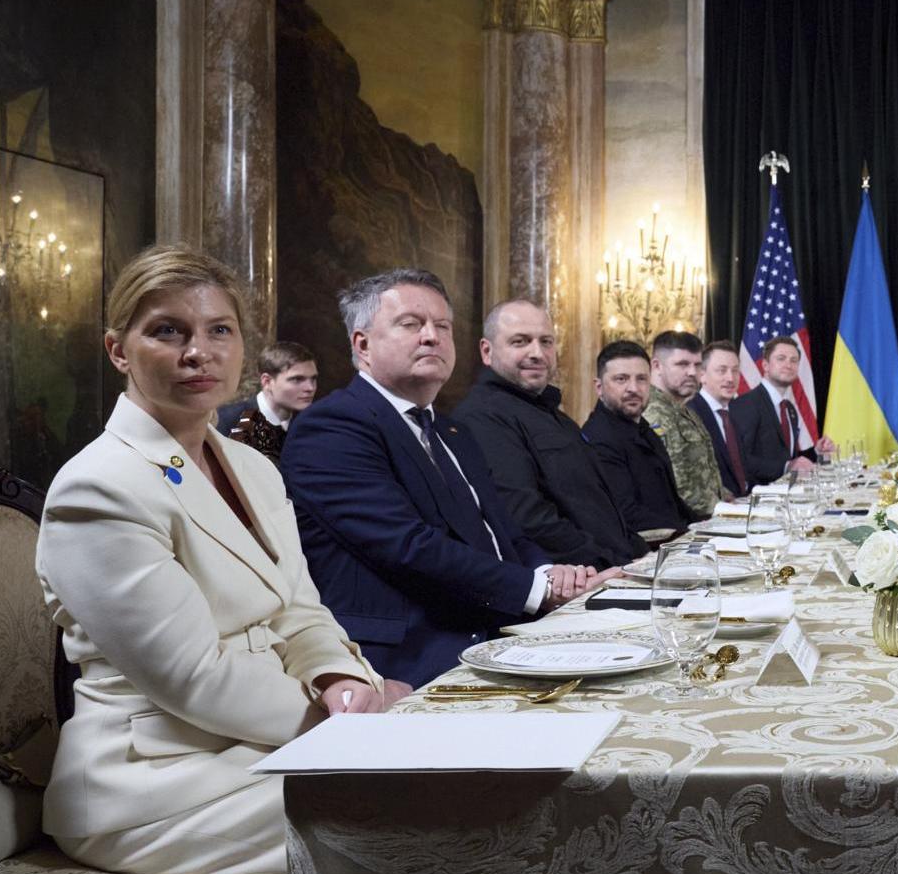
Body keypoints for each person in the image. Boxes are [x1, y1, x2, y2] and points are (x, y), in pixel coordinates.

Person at [36, 246, 404, 874]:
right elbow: (190, 677)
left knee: (449, 781)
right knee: (419, 814)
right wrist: (336, 726)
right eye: (167, 331)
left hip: (251, 750)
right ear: (118, 350)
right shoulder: (98, 486)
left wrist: (341, 680)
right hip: (151, 785)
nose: (197, 352)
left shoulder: (254, 467)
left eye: (219, 331)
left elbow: (300, 608)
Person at [281, 270, 617, 687]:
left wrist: (553, 573)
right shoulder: (332, 426)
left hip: (496, 627)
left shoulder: (451, 430)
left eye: (442, 326)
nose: (431, 337)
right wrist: (539, 590)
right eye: (411, 324)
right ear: (362, 345)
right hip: (411, 655)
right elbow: (408, 547)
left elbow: (504, 534)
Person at [449, 299, 645, 568]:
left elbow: (599, 506)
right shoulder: (482, 415)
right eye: (520, 341)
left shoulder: (552, 413)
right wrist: (610, 564)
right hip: (584, 577)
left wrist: (639, 555)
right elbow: (528, 518)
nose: (537, 353)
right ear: (487, 351)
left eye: (546, 342)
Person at [583, 340, 700, 534]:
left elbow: (671, 501)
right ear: (599, 387)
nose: (634, 388)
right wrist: (687, 533)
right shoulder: (599, 439)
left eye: (641, 379)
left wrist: (704, 527)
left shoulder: (643, 428)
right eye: (621, 379)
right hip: (647, 546)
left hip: (675, 537)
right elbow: (627, 515)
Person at [642, 330, 726, 518]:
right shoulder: (654, 413)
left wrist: (727, 500)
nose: (692, 372)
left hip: (708, 519)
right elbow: (677, 485)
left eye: (697, 365)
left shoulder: (682, 409)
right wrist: (726, 511)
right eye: (682, 364)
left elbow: (703, 475)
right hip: (685, 525)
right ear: (656, 366)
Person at [734, 335, 834, 485]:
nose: (788, 365)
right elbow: (740, 460)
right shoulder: (747, 404)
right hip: (758, 495)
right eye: (781, 359)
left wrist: (816, 452)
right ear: (765, 365)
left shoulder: (789, 409)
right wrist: (786, 467)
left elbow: (787, 458)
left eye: (794, 360)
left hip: (788, 492)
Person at [217, 340, 318, 463]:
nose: (310, 388)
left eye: (313, 379)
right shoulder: (226, 420)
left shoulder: (310, 425)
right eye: (297, 379)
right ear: (267, 381)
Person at [690, 340, 749, 498]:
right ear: (702, 375)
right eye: (722, 371)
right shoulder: (690, 414)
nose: (730, 378)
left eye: (735, 371)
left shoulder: (735, 412)